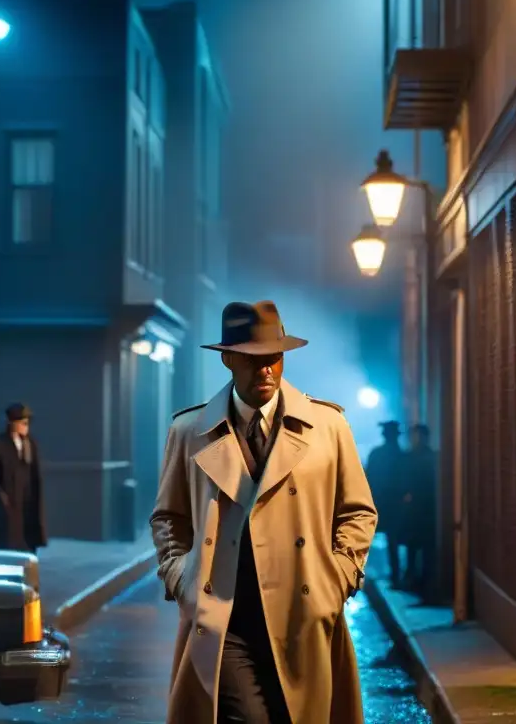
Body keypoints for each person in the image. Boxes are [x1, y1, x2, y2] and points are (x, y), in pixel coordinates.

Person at [151, 300, 377, 724]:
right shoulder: (189, 431)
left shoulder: (327, 427)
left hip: (303, 613)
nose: (267, 370)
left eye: (274, 358)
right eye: (253, 359)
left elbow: (358, 512)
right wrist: (181, 577)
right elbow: (169, 517)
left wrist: (339, 577)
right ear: (228, 360)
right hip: (224, 620)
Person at [0, 403, 47, 552]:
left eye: (27, 422)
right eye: (22, 422)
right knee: (7, 539)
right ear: (12, 424)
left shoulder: (31, 444)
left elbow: (34, 472)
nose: (26, 426)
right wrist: (0, 493)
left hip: (28, 503)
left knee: (27, 540)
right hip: (9, 501)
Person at [365, 420, 406, 585]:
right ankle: (395, 574)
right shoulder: (401, 455)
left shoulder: (378, 454)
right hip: (394, 504)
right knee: (393, 539)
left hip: (381, 502)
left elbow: (367, 478)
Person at [402, 423, 437, 597]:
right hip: (412, 511)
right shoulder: (408, 457)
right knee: (412, 548)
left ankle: (425, 583)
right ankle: (412, 580)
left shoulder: (430, 458)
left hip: (427, 510)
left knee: (426, 549)